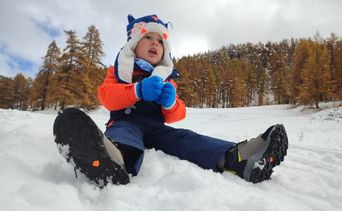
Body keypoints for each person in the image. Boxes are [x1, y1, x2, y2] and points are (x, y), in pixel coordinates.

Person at [53, 14, 288, 187]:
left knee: (185, 138)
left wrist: (170, 103)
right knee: (124, 135)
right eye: (148, 38)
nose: (155, 43)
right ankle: (112, 160)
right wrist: (137, 90)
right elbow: (107, 97)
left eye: (160, 40)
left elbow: (177, 115)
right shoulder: (120, 71)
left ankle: (238, 158)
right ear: (134, 44)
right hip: (126, 122)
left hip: (156, 129)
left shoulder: (165, 78)